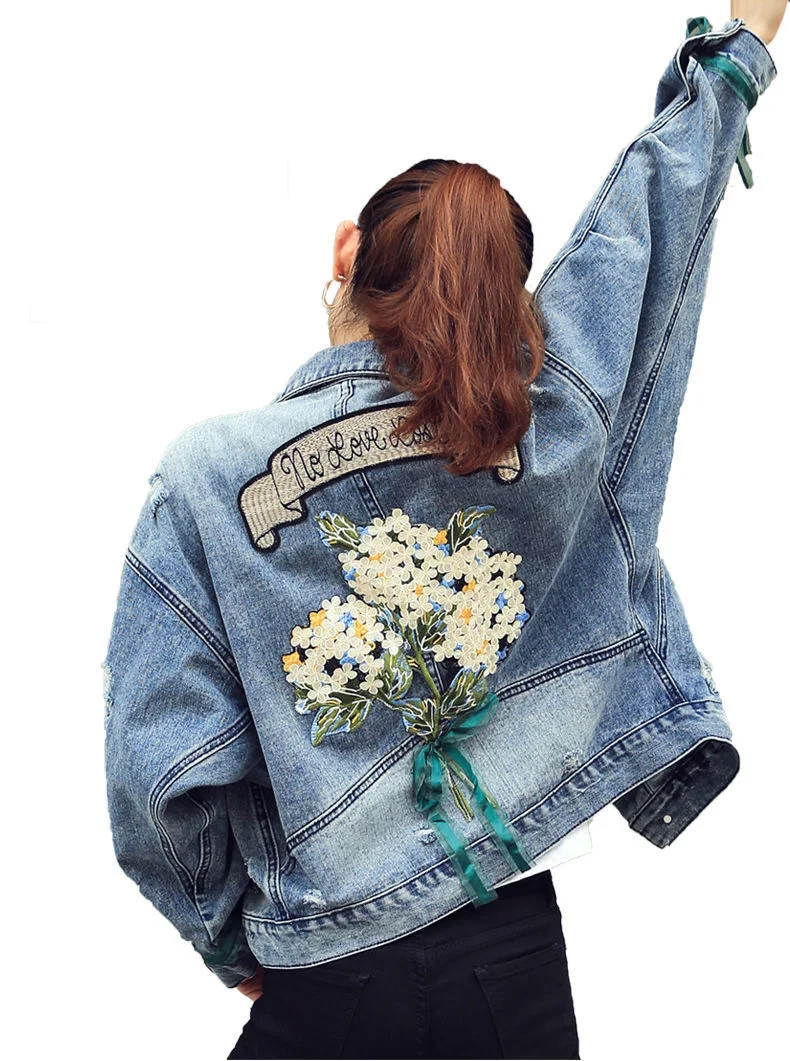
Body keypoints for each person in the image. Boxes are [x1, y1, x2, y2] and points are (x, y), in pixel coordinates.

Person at [102, 4, 784, 1058]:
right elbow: (636, 244)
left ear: (347, 249)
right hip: (512, 961)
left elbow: (159, 781)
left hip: (328, 964)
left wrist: (231, 936)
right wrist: (734, 60)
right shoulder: (552, 426)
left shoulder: (205, 477)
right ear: (508, 306)